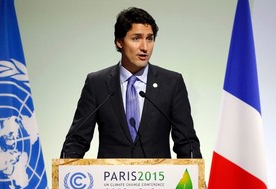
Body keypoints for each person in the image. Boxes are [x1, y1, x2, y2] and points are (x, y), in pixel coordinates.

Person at [60, 7, 202, 159]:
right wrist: (65, 175)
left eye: (149, 38)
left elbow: (186, 143)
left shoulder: (172, 83)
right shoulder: (97, 84)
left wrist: (196, 177)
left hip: (158, 181)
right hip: (110, 181)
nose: (144, 47)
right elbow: (77, 140)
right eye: (136, 38)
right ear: (119, 42)